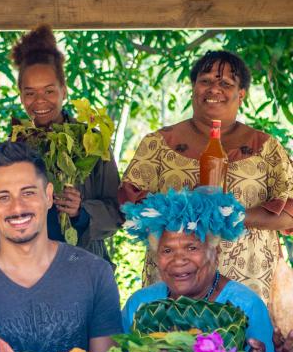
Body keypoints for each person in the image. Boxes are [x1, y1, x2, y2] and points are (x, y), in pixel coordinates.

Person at [119, 50, 293, 302]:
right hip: (176, 281)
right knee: (171, 341)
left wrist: (230, 215)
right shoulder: (157, 143)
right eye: (206, 81)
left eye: (225, 83)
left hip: (249, 284)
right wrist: (186, 213)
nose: (214, 89)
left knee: (248, 341)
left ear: (241, 93)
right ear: (193, 87)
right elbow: (127, 204)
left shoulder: (267, 147)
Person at [0, 141, 122, 352]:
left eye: (28, 193)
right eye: (3, 197)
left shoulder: (95, 274)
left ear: (49, 196)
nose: (17, 207)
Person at [0, 25, 121, 261]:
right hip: (23, 268)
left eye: (49, 91)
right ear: (20, 94)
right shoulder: (13, 148)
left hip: (82, 266)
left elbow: (116, 211)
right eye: (30, 93)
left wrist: (81, 212)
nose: (39, 101)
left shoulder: (92, 142)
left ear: (64, 91)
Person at [121, 188, 276, 352]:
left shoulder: (246, 304)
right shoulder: (140, 304)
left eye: (192, 248)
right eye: (167, 250)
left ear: (215, 252)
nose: (179, 260)